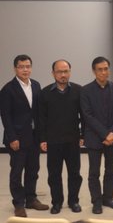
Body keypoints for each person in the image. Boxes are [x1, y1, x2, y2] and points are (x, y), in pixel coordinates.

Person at [0, 54, 49, 217]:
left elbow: (38, 113)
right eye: (21, 67)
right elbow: (6, 117)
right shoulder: (7, 89)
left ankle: (31, 198)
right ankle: (19, 203)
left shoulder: (35, 85)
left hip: (34, 137)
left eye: (28, 66)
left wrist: (42, 137)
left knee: (33, 169)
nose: (25, 70)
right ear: (15, 69)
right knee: (16, 172)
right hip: (17, 139)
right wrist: (12, 137)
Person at [39, 60, 84, 214]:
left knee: (75, 174)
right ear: (53, 73)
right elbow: (41, 119)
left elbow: (84, 116)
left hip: (72, 140)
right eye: (59, 71)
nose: (63, 75)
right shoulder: (44, 93)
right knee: (54, 175)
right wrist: (42, 139)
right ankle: (56, 202)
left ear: (70, 72)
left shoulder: (78, 91)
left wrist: (82, 134)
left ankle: (74, 201)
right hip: (53, 141)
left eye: (66, 71)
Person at [80, 56, 113, 214]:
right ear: (94, 71)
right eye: (100, 69)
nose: (103, 72)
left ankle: (108, 198)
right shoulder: (85, 90)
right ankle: (96, 201)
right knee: (94, 172)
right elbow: (87, 115)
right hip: (94, 138)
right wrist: (106, 134)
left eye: (106, 69)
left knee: (111, 170)